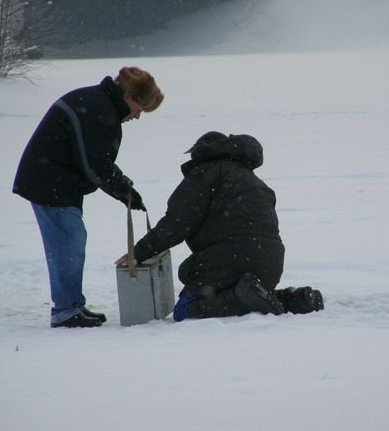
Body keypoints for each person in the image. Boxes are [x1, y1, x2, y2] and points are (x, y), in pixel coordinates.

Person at [13, 66, 164, 328]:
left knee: (70, 239)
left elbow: (95, 161)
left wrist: (123, 188)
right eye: (140, 109)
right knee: (68, 241)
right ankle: (66, 311)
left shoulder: (98, 103)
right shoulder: (98, 109)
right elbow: (95, 164)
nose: (137, 116)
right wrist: (124, 190)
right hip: (48, 181)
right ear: (129, 97)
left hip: (54, 181)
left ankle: (72, 305)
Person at [117, 131, 323, 321]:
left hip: (234, 257)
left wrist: (138, 252)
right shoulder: (253, 180)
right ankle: (291, 300)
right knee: (234, 288)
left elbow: (177, 223)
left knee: (185, 310)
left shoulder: (204, 173)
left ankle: (245, 298)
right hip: (270, 262)